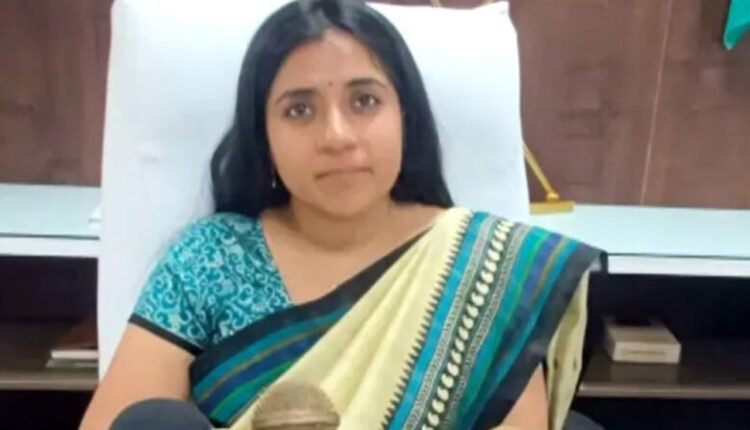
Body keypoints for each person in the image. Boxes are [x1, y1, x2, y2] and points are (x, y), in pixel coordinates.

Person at [81, 0, 600, 429]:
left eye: (365, 101)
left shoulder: (483, 269)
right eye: (299, 110)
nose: (336, 136)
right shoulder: (211, 259)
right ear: (265, 136)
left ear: (405, 117)